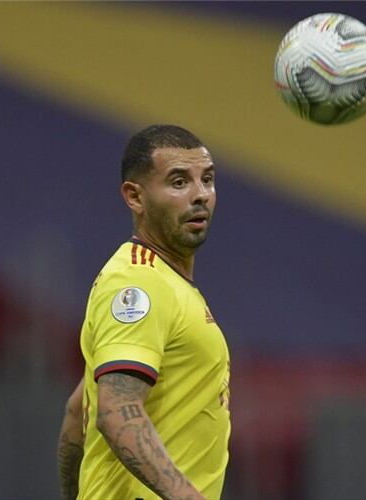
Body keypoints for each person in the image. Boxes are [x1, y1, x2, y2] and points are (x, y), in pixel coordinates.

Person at [57, 124, 231, 500]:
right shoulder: (137, 286)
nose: (200, 195)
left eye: (208, 179)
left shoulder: (166, 283)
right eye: (179, 182)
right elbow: (116, 409)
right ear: (135, 196)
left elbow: (78, 413)